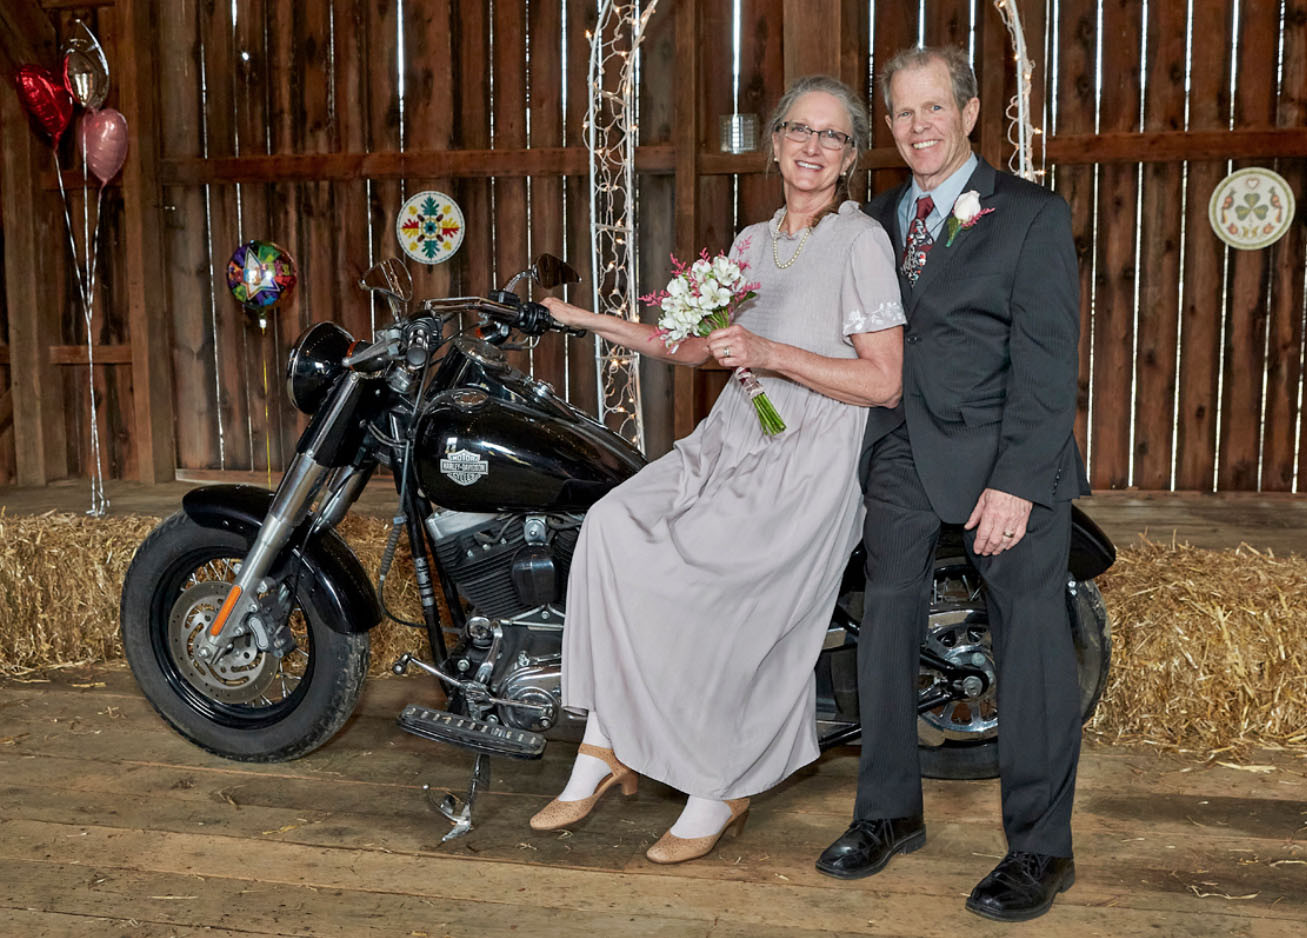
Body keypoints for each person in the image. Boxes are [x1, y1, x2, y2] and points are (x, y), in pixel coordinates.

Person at [533, 75, 905, 864]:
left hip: (808, 459)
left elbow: (884, 380)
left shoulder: (860, 242)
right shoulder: (749, 242)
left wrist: (770, 353)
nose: (811, 147)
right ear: (771, 143)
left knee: (698, 586)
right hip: (730, 437)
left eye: (831, 137)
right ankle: (606, 743)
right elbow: (696, 348)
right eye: (799, 131)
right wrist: (584, 320)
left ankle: (721, 783)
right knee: (609, 527)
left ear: (849, 158)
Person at [814, 46, 1091, 922]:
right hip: (900, 450)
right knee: (883, 625)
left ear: (970, 114)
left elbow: (1048, 366)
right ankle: (889, 811)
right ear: (886, 126)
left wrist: (1016, 483)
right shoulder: (872, 220)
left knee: (1032, 647)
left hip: (1007, 460)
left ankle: (1040, 850)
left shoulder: (1030, 215)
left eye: (934, 108)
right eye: (901, 113)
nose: (918, 126)